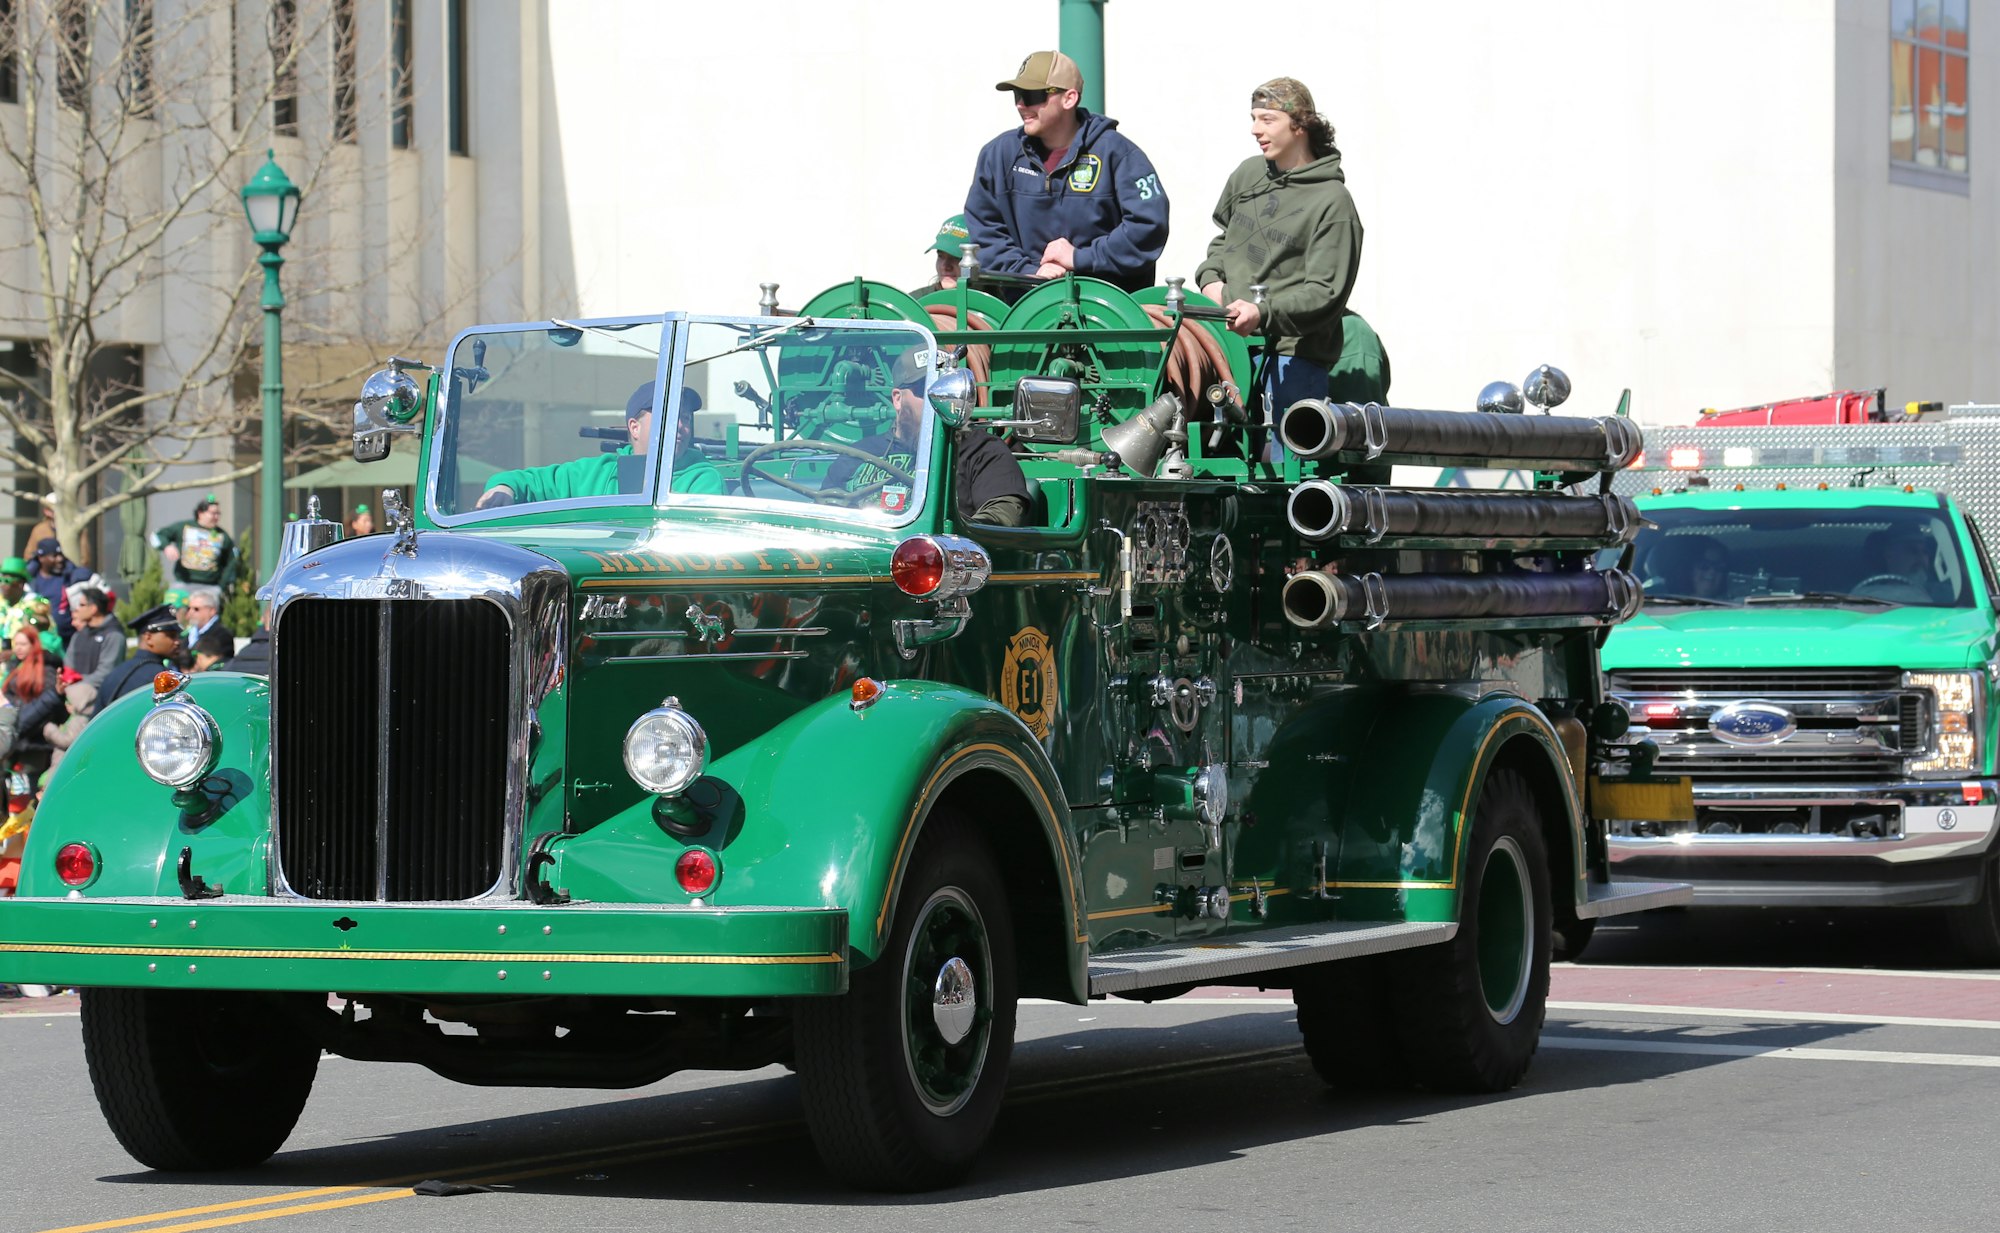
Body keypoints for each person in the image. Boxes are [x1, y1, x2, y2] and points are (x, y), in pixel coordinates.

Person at [1195, 78, 1368, 436]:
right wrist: (1210, 278)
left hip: (1292, 360)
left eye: (1268, 119)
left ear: (1300, 125)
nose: (1255, 129)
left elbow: (1325, 294)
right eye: (1254, 118)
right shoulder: (1248, 174)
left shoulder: (1332, 202)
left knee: (1284, 468)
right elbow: (1223, 240)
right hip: (1226, 348)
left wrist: (1262, 312)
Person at [962, 50, 1168, 293]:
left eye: (1031, 95)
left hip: (1107, 312)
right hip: (1023, 311)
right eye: (1017, 95)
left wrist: (1080, 258)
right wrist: (1028, 272)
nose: (1021, 104)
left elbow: (1148, 227)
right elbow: (984, 230)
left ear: (1069, 99)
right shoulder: (998, 156)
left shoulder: (1118, 154)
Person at [825, 348, 1028, 526]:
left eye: (945, 389)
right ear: (898, 399)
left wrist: (951, 531)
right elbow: (824, 510)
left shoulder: (982, 451)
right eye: (924, 389)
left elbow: (1004, 514)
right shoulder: (858, 454)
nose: (937, 398)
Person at [477, 383, 720, 509]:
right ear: (634, 427)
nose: (679, 425)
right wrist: (504, 489)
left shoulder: (702, 478)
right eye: (667, 416)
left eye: (685, 418)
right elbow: (526, 482)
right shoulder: (599, 471)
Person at [96, 605, 186, 708]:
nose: (177, 642)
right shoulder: (162, 679)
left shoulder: (115, 674)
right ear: (148, 637)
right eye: (171, 636)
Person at [2, 627, 63, 762]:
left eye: (23, 644)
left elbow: (45, 706)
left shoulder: (45, 670)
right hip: (16, 737)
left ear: (33, 644)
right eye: (16, 644)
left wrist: (16, 722)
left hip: (33, 740)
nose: (18, 648)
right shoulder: (14, 666)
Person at [154, 495, 240, 590]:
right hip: (183, 584)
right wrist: (166, 546)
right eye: (213, 513)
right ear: (200, 513)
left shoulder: (222, 535)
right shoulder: (183, 527)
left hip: (210, 588)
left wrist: (221, 585)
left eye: (218, 514)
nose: (217, 517)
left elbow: (232, 560)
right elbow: (158, 535)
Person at [62, 586, 126, 697]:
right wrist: (69, 681)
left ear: (93, 609)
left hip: (101, 701)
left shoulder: (114, 636)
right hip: (74, 696)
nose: (78, 609)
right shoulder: (79, 635)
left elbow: (106, 673)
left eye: (82, 605)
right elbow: (68, 664)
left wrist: (78, 684)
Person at [26, 539, 92, 640]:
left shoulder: (70, 577)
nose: (60, 559)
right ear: (41, 558)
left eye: (60, 554)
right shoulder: (30, 581)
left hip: (67, 638)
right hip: (37, 639)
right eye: (54, 556)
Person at [911, 214, 969, 295]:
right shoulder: (918, 301)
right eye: (940, 256)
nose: (945, 266)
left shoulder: (988, 302)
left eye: (956, 257)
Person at [184, 587, 233, 671]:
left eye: (196, 609)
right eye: (189, 608)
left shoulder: (222, 635)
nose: (190, 612)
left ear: (212, 610)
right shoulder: (186, 634)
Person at [0, 559, 37, 645]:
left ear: (20, 584)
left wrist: (14, 653)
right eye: (0, 580)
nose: (2, 585)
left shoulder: (35, 607)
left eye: (7, 581)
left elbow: (41, 642)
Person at [22, 495, 55, 566]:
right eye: (52, 509)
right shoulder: (39, 529)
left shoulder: (76, 528)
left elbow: (84, 558)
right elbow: (28, 555)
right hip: (43, 569)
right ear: (46, 511)